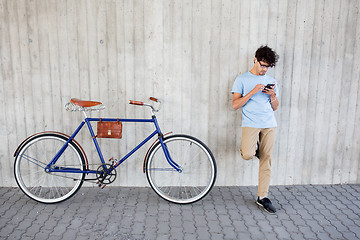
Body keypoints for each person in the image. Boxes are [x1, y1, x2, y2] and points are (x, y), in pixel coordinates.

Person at [232, 45, 279, 214]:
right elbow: (235, 104)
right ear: (255, 60)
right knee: (248, 154)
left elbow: (275, 107)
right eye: (262, 65)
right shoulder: (242, 79)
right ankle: (252, 148)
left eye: (267, 66)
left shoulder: (272, 81)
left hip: (269, 124)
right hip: (251, 123)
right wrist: (252, 92)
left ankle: (262, 197)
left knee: (266, 160)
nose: (264, 69)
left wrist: (272, 96)